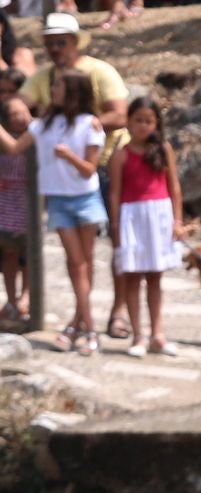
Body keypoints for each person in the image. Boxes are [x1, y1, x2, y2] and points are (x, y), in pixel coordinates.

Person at [25, 13, 129, 340]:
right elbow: (21, 103)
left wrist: (88, 124)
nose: (54, 48)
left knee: (117, 245)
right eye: (49, 43)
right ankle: (82, 319)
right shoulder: (45, 77)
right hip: (69, 176)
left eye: (60, 42)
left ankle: (116, 312)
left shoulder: (100, 71)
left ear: (74, 41)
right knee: (79, 260)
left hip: (107, 163)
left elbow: (119, 113)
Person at [0, 66, 102, 352]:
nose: (52, 91)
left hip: (86, 199)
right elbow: (15, 148)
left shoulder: (89, 123)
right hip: (59, 200)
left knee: (84, 264)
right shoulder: (45, 124)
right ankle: (88, 327)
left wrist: (69, 156)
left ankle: (79, 324)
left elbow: (89, 170)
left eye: (58, 86)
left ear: (72, 92)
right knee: (76, 263)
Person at [105, 95, 182, 357]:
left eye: (149, 121)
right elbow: (114, 193)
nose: (143, 126)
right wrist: (116, 227)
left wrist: (177, 220)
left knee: (155, 277)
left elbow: (174, 187)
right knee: (132, 277)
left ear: (157, 123)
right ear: (128, 122)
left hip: (159, 216)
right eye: (138, 120)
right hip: (132, 218)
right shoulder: (120, 155)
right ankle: (137, 334)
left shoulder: (164, 150)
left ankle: (157, 333)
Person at [0, 89, 28, 324]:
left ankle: (26, 298)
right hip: (8, 202)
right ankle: (10, 299)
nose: (18, 117)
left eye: (22, 112)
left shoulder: (36, 134)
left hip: (28, 201)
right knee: (9, 252)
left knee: (29, 256)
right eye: (13, 114)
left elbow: (15, 148)